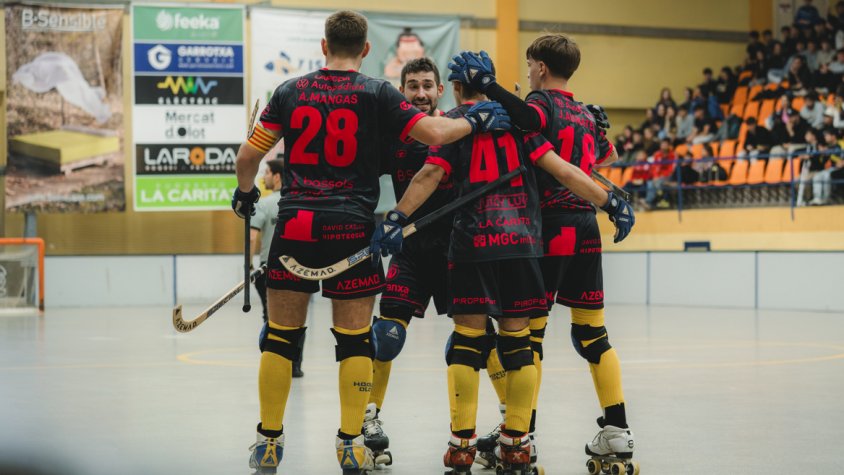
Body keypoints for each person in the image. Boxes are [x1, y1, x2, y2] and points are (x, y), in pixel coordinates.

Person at [230, 10, 511, 474]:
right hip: (350, 228)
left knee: (280, 339)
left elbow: (247, 157)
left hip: (296, 224)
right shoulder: (377, 93)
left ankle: (268, 443)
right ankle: (350, 444)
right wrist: (480, 115)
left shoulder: (287, 92)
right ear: (365, 50)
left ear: (323, 47)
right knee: (355, 342)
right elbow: (438, 133)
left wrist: (245, 195)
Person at [447, 36, 639, 474]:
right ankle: (618, 429)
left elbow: (528, 119)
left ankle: (521, 435)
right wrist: (600, 136)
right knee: (592, 334)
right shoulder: (585, 112)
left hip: (547, 227)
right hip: (585, 229)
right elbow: (600, 158)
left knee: (525, 339)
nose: (529, 71)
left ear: (540, 69)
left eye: (530, 65)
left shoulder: (539, 104)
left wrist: (492, 89)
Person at [361, 57, 451, 466]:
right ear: (402, 92)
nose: (419, 93)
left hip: (457, 252)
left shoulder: (457, 131)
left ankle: (508, 428)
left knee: (479, 342)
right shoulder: (392, 137)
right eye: (412, 86)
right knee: (385, 338)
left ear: (440, 91)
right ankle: (369, 419)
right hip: (409, 251)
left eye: (427, 85)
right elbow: (356, 173)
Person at [250, 158, 305, 378]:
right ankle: (295, 365)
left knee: (271, 317)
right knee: (298, 317)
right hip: (299, 269)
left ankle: (275, 364)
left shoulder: (263, 204)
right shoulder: (300, 201)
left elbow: (252, 236)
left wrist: (248, 268)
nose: (263, 177)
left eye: (266, 172)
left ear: (277, 176)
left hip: (268, 269)